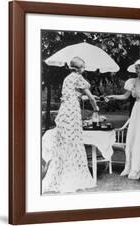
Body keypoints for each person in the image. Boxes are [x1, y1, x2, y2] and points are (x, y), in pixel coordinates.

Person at [42, 57, 99, 194]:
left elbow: (75, 95)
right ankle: (73, 175)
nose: (84, 69)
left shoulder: (67, 79)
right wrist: (96, 107)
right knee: (74, 141)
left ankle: (62, 173)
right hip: (72, 112)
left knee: (65, 143)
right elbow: (89, 96)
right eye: (83, 67)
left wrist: (86, 97)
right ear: (80, 68)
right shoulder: (78, 78)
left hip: (64, 111)